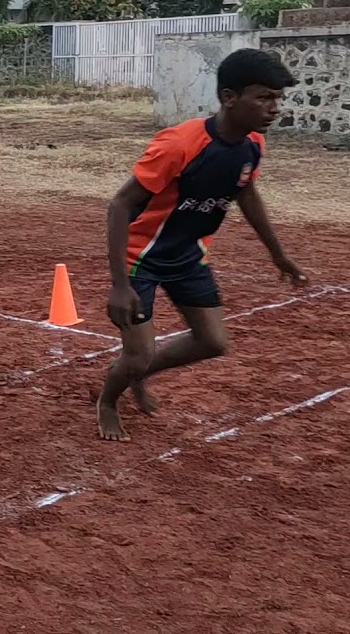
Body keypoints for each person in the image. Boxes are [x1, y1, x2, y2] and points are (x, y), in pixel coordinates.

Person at [96, 47, 308, 442]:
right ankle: (108, 401)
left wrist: (278, 254)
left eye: (278, 98)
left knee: (212, 342)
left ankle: (138, 373)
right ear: (230, 97)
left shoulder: (252, 145)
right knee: (137, 352)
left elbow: (246, 193)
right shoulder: (179, 144)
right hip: (141, 259)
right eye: (264, 97)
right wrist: (119, 284)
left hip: (190, 257)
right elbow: (120, 204)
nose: (274, 107)